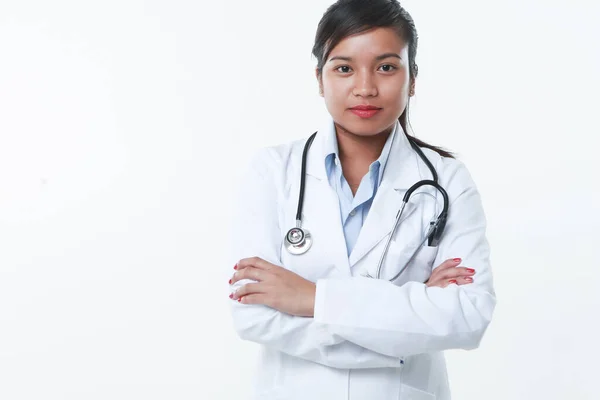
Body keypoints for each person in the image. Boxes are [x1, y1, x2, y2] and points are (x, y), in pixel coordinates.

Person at [227, 1, 496, 399]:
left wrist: (311, 297)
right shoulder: (272, 171)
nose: (365, 87)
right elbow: (251, 314)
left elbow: (467, 317)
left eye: (386, 67)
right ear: (320, 78)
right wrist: (406, 326)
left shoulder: (447, 180)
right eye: (344, 68)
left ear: (413, 78)